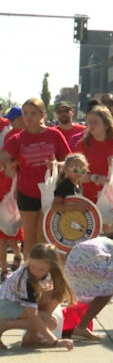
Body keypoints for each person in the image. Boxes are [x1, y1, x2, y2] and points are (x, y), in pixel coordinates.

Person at [1, 98, 71, 252]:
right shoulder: (17, 139)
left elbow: (70, 162)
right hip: (27, 193)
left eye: (33, 113)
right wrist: (8, 166)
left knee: (44, 237)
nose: (28, 117)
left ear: (43, 115)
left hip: (52, 193)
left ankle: (45, 273)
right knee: (30, 240)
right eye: (25, 113)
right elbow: (3, 158)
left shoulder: (54, 135)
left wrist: (56, 165)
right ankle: (30, 274)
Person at [0, 244, 75, 350]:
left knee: (58, 292)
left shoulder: (53, 271)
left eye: (41, 269)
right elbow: (32, 316)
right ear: (28, 260)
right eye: (32, 266)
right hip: (4, 305)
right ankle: (3, 325)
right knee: (49, 321)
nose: (35, 271)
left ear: (51, 266)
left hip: (16, 302)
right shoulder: (26, 279)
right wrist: (54, 341)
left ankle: (31, 338)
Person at [75, 106, 113, 208]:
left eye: (96, 122)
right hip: (88, 201)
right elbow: (76, 174)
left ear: (106, 125)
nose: (91, 125)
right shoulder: (82, 146)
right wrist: (94, 178)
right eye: (89, 122)